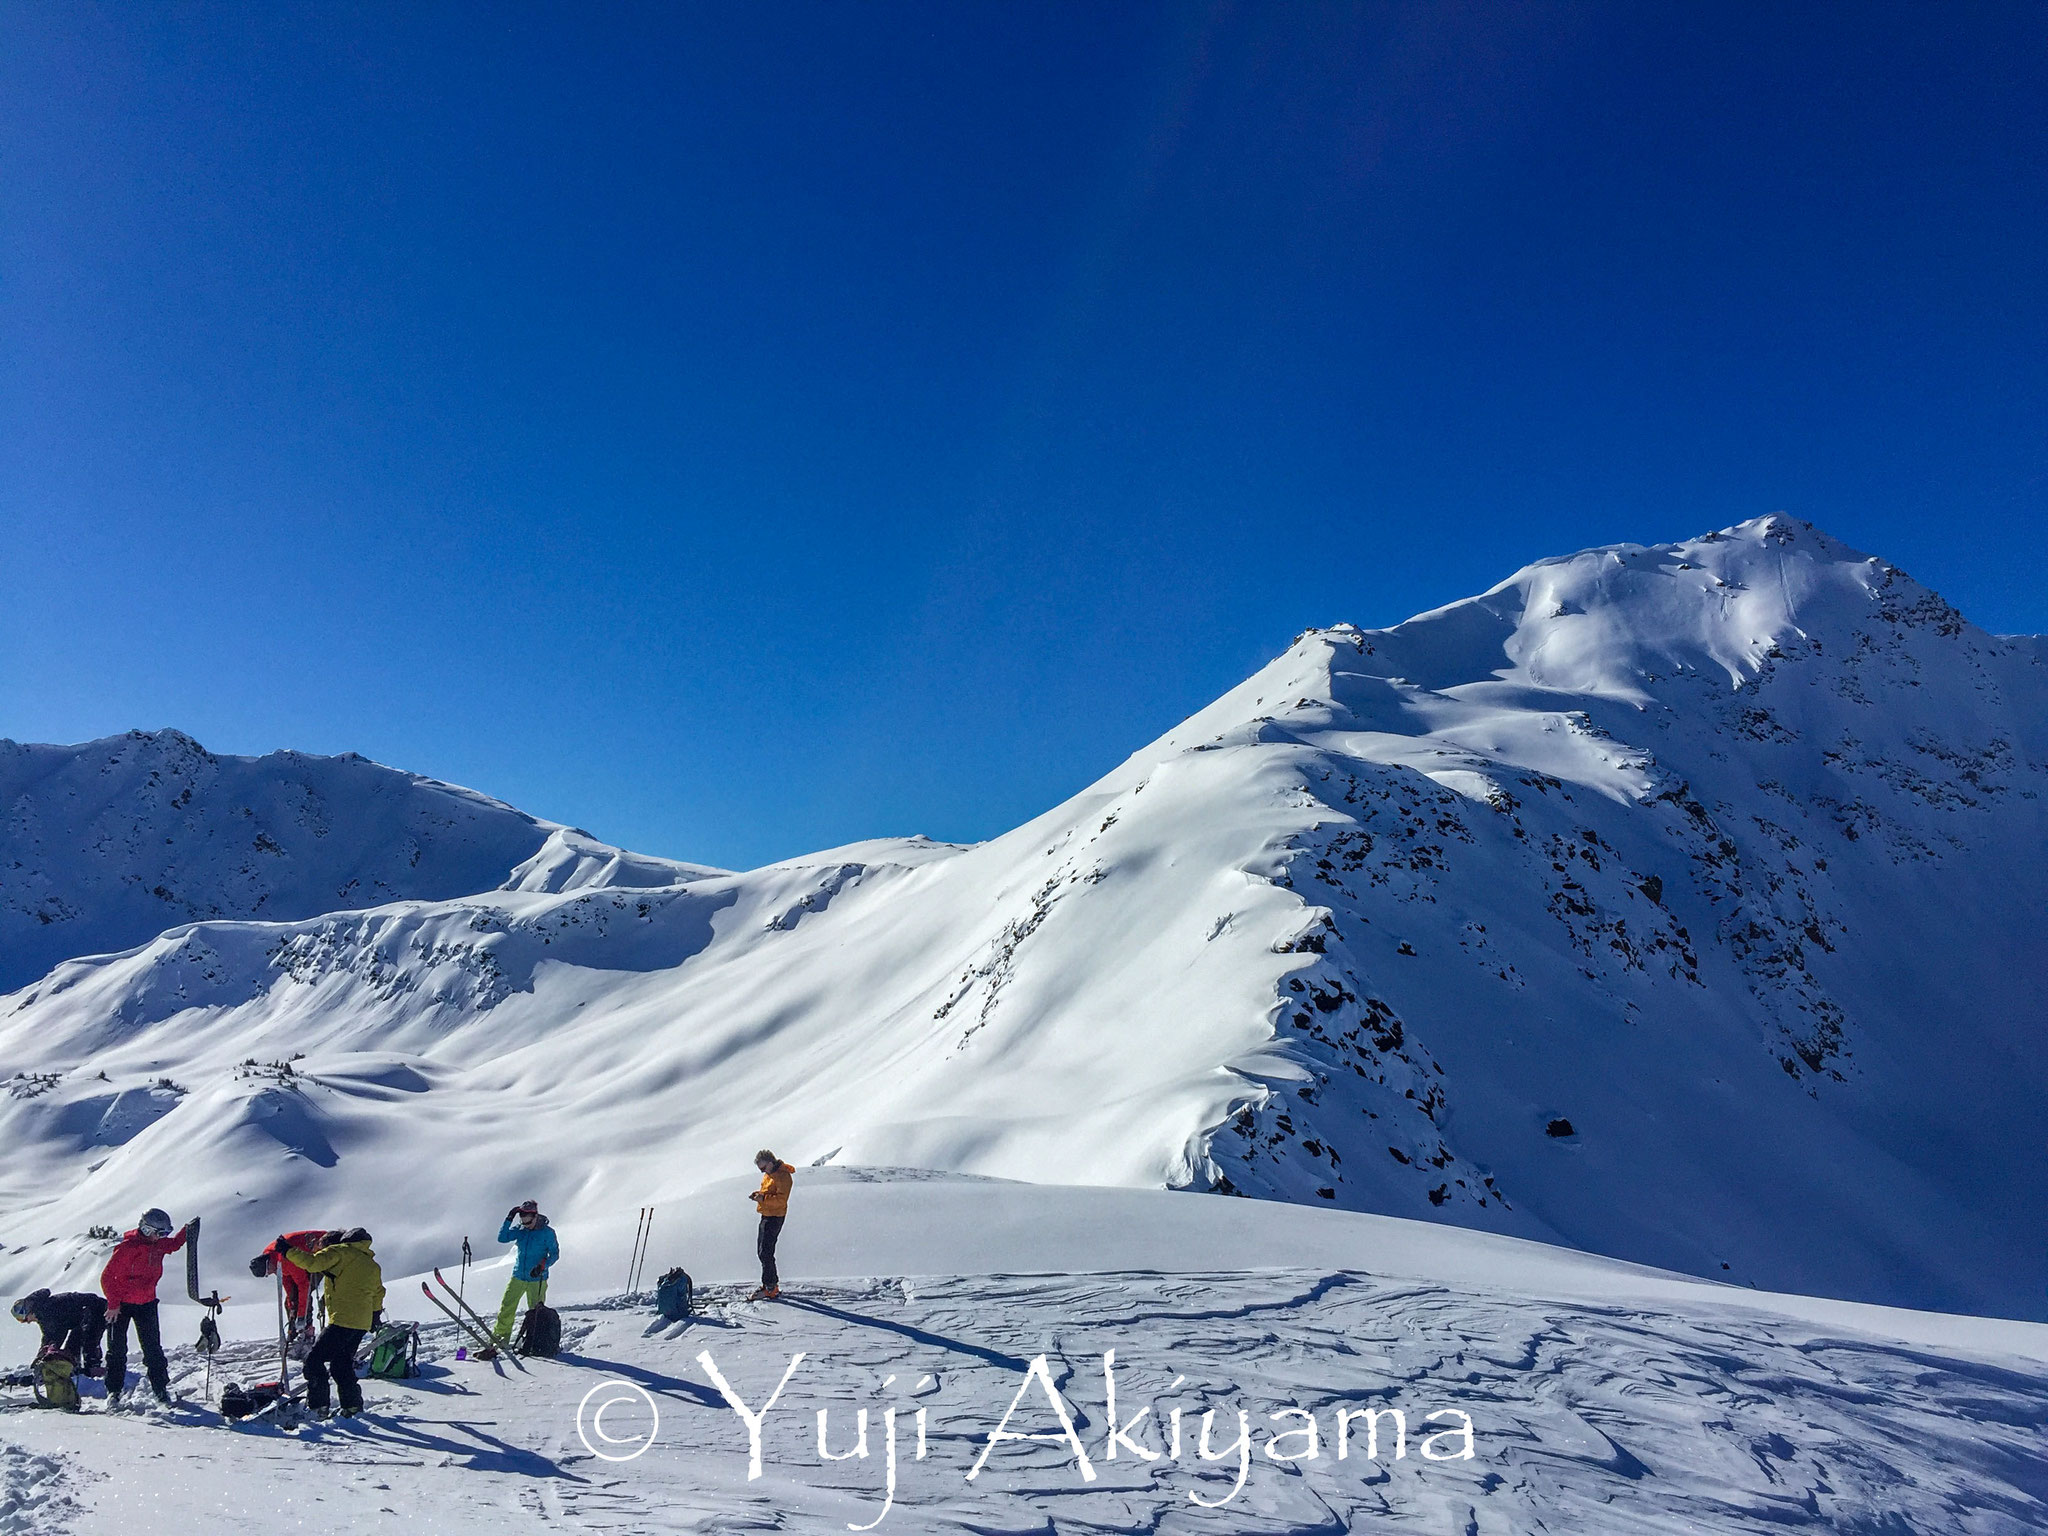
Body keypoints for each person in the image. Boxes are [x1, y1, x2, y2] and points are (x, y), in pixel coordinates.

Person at [278, 1227, 384, 1419]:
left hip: (342, 1320)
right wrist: (375, 1316)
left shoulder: (340, 1252)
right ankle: (351, 1407)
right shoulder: (371, 1264)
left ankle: (318, 1407)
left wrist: (287, 1250)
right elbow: (378, 1293)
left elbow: (312, 1263)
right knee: (341, 1365)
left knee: (313, 1362)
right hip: (361, 1323)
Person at [100, 1207, 191, 1407]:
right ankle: (113, 1391)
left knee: (152, 1349)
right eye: (160, 1233)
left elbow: (174, 1244)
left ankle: (160, 1389)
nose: (162, 1237)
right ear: (148, 1230)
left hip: (147, 1303)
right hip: (121, 1306)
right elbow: (108, 1278)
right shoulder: (127, 1249)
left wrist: (187, 1230)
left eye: (165, 1233)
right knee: (116, 1350)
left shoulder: (157, 1245)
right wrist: (113, 1304)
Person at [249, 1229, 330, 1346]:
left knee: (303, 1295)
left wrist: (301, 1315)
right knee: (292, 1299)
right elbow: (286, 1282)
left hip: (321, 1250)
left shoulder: (285, 1260)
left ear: (268, 1265)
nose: (270, 1273)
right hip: (303, 1254)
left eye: (268, 1272)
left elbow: (304, 1285)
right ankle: (295, 1329)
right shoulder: (272, 1258)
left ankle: (306, 1330)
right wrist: (291, 1305)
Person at [493, 1200, 559, 1343]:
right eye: (523, 1222)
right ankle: (501, 1337)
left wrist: (543, 1265)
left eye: (528, 1222)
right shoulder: (521, 1230)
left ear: (535, 1216)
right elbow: (502, 1238)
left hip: (537, 1279)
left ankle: (536, 1339)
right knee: (507, 1307)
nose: (526, 1225)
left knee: (536, 1312)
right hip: (518, 1276)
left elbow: (554, 1254)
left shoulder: (547, 1233)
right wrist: (508, 1219)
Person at [10, 1289, 106, 1377]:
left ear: (26, 1312)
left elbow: (57, 1333)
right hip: (86, 1315)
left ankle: (94, 1369)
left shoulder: (45, 1310)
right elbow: (49, 1336)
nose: (27, 1322)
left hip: (96, 1310)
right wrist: (43, 1354)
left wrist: (46, 1353)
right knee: (74, 1341)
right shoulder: (42, 1310)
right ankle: (78, 1368)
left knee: (87, 1339)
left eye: (22, 1319)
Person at [748, 1150, 793, 1301]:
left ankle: (770, 1287)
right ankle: (770, 1285)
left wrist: (763, 1198)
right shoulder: (770, 1174)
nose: (762, 1171)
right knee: (762, 1251)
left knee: (766, 1252)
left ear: (770, 1163)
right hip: (767, 1214)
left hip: (775, 1216)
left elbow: (781, 1200)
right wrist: (759, 1195)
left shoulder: (783, 1176)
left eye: (762, 1168)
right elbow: (769, 1193)